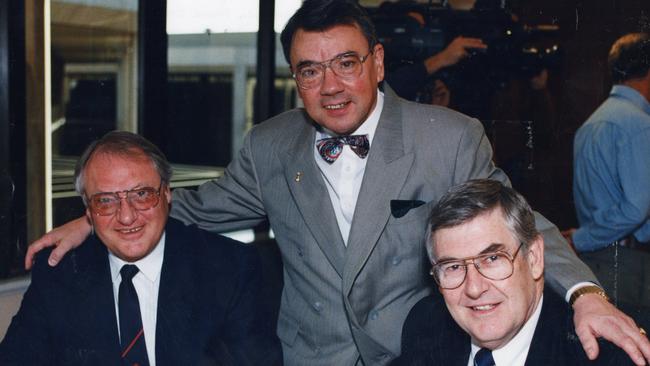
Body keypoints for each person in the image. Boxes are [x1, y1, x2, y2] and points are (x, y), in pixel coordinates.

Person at [26, 1, 650, 365]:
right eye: (310, 70)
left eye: (346, 63)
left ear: (377, 63)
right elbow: (193, 206)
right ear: (294, 79)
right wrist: (96, 216)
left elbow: (523, 224)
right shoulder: (269, 146)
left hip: (415, 356)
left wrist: (585, 293)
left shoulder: (448, 137)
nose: (331, 86)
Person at [0, 131, 282, 366]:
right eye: (106, 201)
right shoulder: (60, 274)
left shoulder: (228, 268)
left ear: (167, 193)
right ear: (88, 209)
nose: (126, 216)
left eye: (142, 195)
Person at [395, 179, 635, 365]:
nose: (474, 288)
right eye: (454, 267)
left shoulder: (603, 355)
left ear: (534, 258)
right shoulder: (426, 326)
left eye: (491, 258)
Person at [571, 32, 650, 306]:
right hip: (631, 265)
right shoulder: (638, 124)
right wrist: (583, 238)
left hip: (599, 260)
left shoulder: (593, 122)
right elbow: (637, 208)